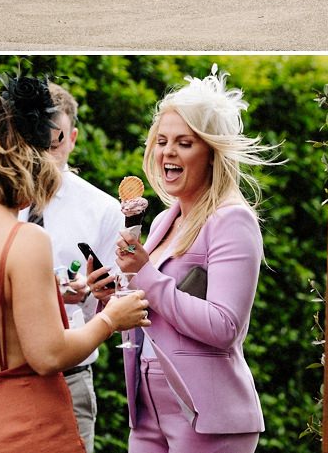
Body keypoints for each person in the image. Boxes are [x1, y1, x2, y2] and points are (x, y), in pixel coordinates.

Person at [0, 74, 149, 453]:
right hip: (32, 430)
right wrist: (111, 319)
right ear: (19, 163)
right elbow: (49, 354)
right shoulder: (26, 240)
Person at [114, 65, 274, 452]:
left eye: (184, 143)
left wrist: (146, 275)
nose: (168, 151)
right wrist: (112, 292)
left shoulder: (231, 220)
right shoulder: (167, 218)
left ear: (211, 153)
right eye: (163, 140)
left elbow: (225, 327)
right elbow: (154, 308)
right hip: (148, 406)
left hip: (207, 415)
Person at [19, 84, 125, 453]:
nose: (45, 150)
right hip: (3, 375)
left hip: (70, 379)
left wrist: (96, 296)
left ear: (73, 138)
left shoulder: (104, 209)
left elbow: (120, 302)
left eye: (56, 141)